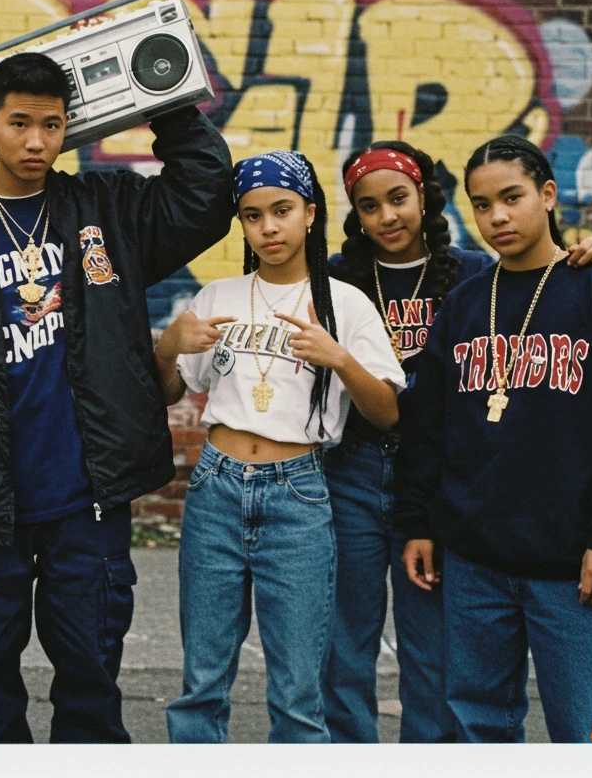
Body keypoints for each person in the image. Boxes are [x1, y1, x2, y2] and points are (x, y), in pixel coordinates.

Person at [0, 51, 235, 743]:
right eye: (19, 123)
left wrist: (161, 97)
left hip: (87, 495)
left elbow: (203, 197)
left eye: (51, 124)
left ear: (69, 126)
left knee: (91, 671)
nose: (36, 141)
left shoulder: (105, 208)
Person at [322, 140, 592, 743]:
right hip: (354, 468)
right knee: (345, 641)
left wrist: (586, 252)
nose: (388, 217)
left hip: (443, 478)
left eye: (399, 198)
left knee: (436, 652)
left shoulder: (476, 276)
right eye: (369, 206)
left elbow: (545, 285)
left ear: (424, 197)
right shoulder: (335, 279)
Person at [393, 134, 592, 743]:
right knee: (477, 724)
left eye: (512, 197)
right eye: (481, 204)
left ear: (547, 195)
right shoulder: (467, 303)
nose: (496, 216)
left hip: (573, 565)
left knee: (591, 728)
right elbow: (428, 429)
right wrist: (418, 521)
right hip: (473, 563)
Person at [158, 151, 405, 743]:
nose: (268, 227)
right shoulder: (218, 295)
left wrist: (340, 359)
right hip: (216, 488)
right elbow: (168, 391)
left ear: (310, 215)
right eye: (252, 215)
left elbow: (389, 413)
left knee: (297, 690)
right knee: (201, 684)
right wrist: (168, 344)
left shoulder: (345, 304)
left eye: (282, 210)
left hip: (298, 495)